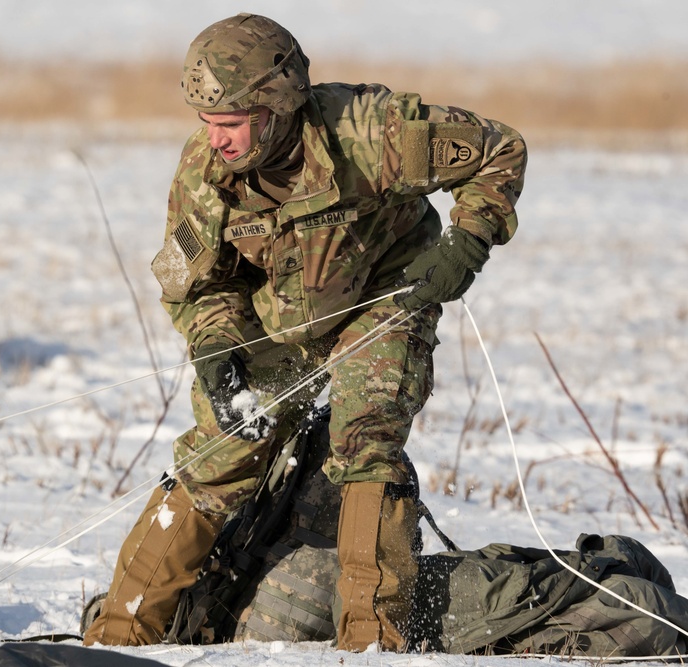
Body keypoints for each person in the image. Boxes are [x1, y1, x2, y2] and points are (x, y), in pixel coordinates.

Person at [84, 13, 526, 652]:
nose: (217, 140)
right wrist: (215, 343)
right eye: (208, 122)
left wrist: (468, 241)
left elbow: (499, 148)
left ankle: (373, 640)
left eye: (231, 123)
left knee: (364, 434)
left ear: (277, 105)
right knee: (221, 452)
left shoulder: (373, 133)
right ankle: (119, 636)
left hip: (385, 294)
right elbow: (198, 284)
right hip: (280, 316)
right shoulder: (204, 174)